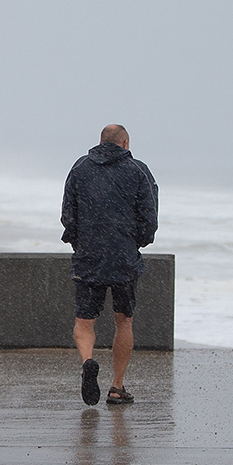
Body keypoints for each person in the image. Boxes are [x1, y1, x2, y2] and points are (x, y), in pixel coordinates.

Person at [60, 124, 158, 406]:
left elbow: (68, 213)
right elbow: (149, 216)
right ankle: (116, 387)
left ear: (101, 142)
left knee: (84, 320)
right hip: (123, 257)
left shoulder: (80, 168)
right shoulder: (138, 170)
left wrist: (80, 242)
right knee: (123, 320)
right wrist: (137, 242)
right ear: (125, 143)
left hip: (89, 256)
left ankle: (88, 361)